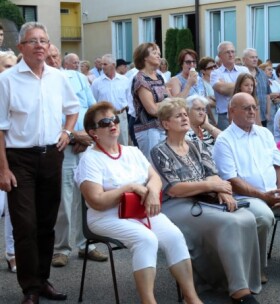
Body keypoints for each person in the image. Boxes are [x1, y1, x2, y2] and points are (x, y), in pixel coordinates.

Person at [74, 101, 202, 304]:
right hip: (106, 216)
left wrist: (151, 192)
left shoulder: (131, 151)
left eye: (114, 118)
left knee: (175, 236)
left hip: (140, 210)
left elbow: (155, 178)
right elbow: (97, 201)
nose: (112, 123)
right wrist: (130, 187)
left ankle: (192, 298)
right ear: (93, 132)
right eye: (105, 122)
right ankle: (148, 301)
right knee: (146, 239)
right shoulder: (89, 160)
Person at [150, 98, 261, 304]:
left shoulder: (196, 145)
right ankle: (239, 290)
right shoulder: (160, 151)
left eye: (185, 114)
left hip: (204, 200)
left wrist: (223, 192)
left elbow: (213, 174)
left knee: (247, 217)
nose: (184, 118)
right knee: (229, 222)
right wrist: (212, 187)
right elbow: (174, 189)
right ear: (166, 124)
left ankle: (240, 279)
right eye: (178, 116)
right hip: (176, 205)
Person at [0, 22, 79, 304]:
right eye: (32, 41)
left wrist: (67, 132)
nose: (39, 45)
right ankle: (30, 288)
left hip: (51, 156)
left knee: (47, 223)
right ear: (21, 47)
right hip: (18, 159)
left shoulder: (59, 77)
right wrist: (3, 169)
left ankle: (43, 280)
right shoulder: (7, 80)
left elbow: (73, 109)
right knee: (25, 224)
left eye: (43, 40)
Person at [213, 92, 280, 284]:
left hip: (273, 193)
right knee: (263, 217)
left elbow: (279, 165)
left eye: (254, 107)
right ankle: (257, 268)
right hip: (245, 198)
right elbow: (232, 180)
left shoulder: (264, 133)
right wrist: (263, 196)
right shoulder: (224, 140)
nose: (252, 111)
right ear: (232, 111)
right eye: (247, 108)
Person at [44, 45, 107, 268]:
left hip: (86, 144)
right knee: (64, 199)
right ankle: (61, 248)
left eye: (55, 56)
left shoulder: (78, 77)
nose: (52, 60)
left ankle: (87, 245)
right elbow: (45, 119)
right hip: (62, 147)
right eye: (49, 57)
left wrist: (89, 136)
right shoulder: (41, 81)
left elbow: (93, 110)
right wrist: (73, 137)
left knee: (88, 197)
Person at [132, 42, 170, 159]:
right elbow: (152, 109)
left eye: (159, 53)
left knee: (165, 164)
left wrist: (164, 104)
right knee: (152, 165)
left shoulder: (158, 77)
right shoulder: (140, 79)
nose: (159, 56)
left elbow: (170, 100)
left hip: (162, 126)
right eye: (154, 53)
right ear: (144, 57)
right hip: (148, 129)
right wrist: (166, 104)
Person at [0, 49, 17, 273]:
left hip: (14, 156)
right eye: (8, 66)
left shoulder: (16, 90)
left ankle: (12, 253)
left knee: (13, 210)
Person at [91, 54, 131, 146]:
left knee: (123, 144)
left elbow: (129, 98)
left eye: (105, 64)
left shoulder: (124, 80)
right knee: (106, 143)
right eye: (102, 64)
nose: (102, 67)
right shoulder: (97, 83)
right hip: (104, 117)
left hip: (121, 116)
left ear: (113, 65)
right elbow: (94, 101)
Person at [211, 41, 249, 130]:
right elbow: (221, 89)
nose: (231, 54)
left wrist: (227, 86)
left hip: (244, 112)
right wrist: (242, 85)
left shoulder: (244, 70)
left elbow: (251, 87)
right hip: (225, 116)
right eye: (227, 52)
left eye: (232, 51)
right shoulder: (215, 73)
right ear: (220, 56)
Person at [243, 48, 273, 127]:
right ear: (244, 59)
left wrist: (268, 113)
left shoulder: (262, 74)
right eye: (252, 57)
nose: (255, 59)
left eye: (256, 57)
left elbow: (268, 94)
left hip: (263, 116)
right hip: (247, 116)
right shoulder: (241, 74)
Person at [197, 56, 218, 126]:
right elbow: (205, 101)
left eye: (215, 66)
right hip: (210, 120)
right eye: (210, 68)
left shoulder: (219, 81)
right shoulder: (200, 83)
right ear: (203, 71)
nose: (214, 69)